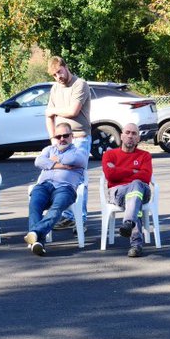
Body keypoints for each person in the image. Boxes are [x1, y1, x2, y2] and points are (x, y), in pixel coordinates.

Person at [25, 123, 87, 256]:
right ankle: (38, 243)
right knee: (35, 205)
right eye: (58, 136)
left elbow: (75, 159)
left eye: (65, 135)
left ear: (72, 136)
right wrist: (62, 166)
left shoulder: (79, 150)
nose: (62, 139)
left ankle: (35, 233)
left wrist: (53, 161)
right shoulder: (48, 149)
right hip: (44, 186)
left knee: (57, 208)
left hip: (65, 188)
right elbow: (38, 161)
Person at [45, 56, 92, 228]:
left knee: (79, 177)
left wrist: (53, 111)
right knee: (62, 176)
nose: (58, 77)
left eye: (59, 72)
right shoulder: (55, 89)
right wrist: (52, 139)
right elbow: (48, 116)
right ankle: (67, 215)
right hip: (60, 139)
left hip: (79, 138)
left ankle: (81, 219)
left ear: (65, 67)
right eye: (54, 75)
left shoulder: (80, 84)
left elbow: (73, 111)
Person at [101, 123, 153, 258]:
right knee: (135, 200)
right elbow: (110, 175)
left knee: (136, 186)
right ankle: (136, 245)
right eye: (128, 133)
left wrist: (119, 170)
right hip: (118, 192)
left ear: (138, 139)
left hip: (141, 190)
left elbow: (145, 176)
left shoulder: (145, 156)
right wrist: (134, 171)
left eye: (134, 134)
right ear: (121, 136)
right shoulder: (109, 154)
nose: (130, 136)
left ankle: (128, 222)